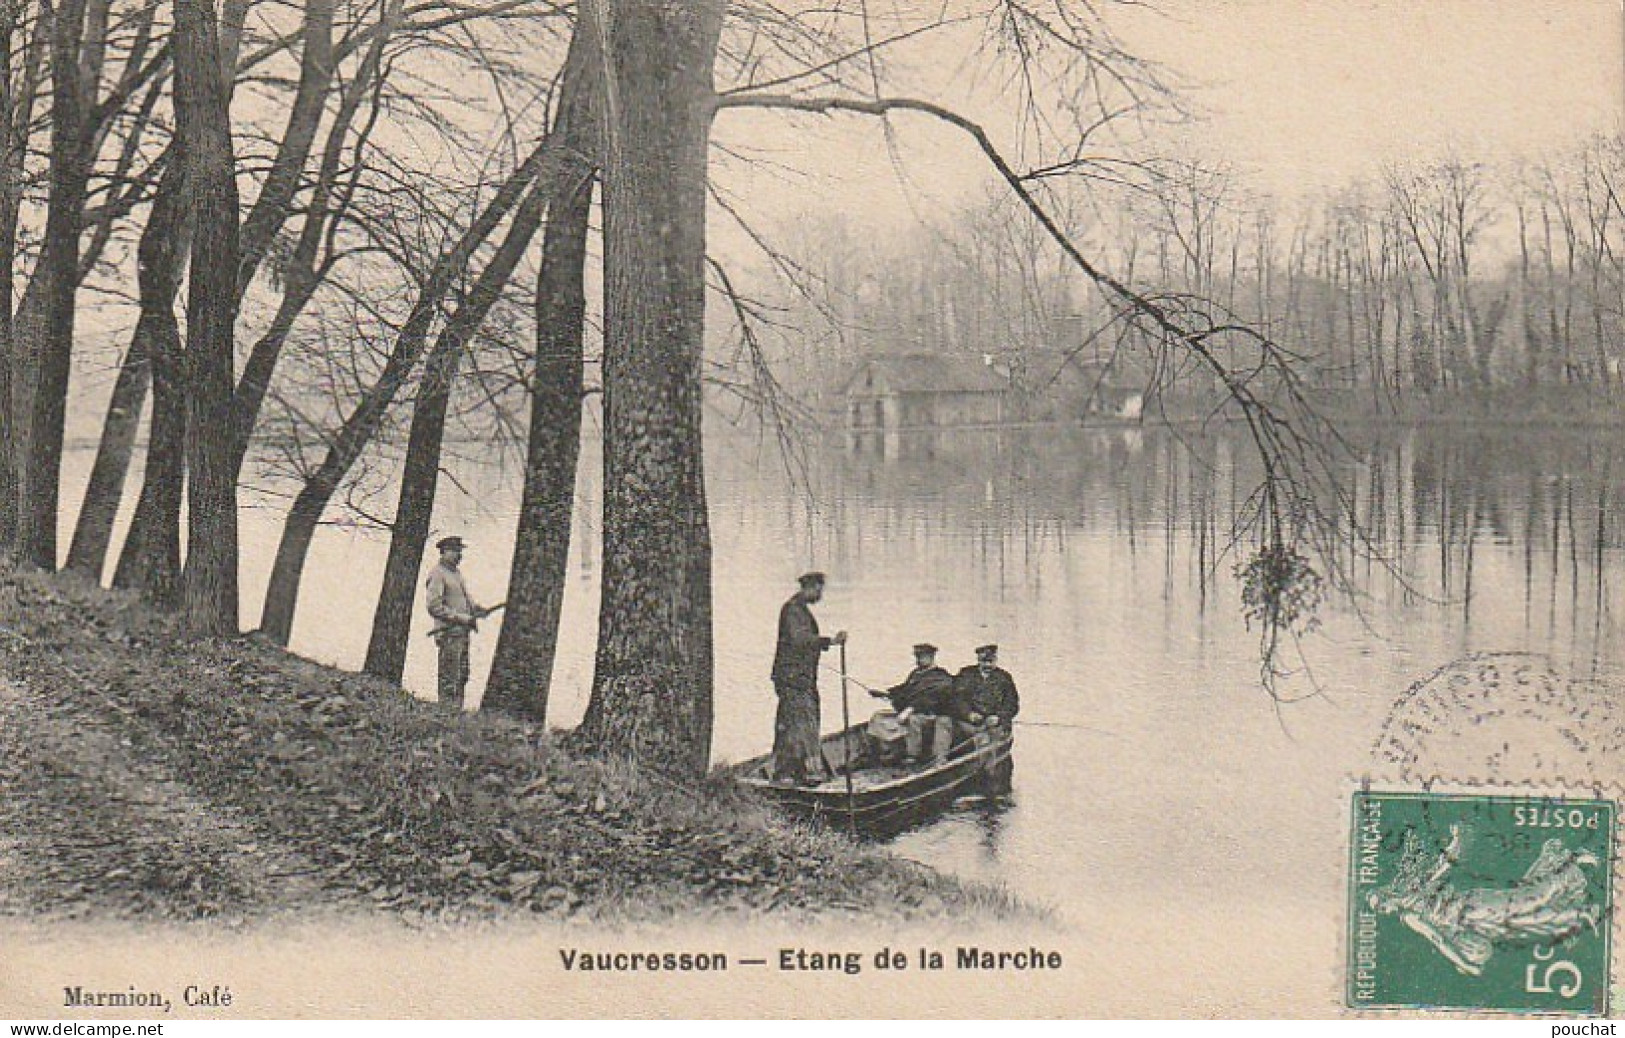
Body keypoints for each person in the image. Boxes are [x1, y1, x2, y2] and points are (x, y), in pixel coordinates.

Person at [770, 572, 846, 785]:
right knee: (800, 722)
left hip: (800, 678)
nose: (820, 594)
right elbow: (799, 639)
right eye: (818, 590)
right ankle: (794, 772)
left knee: (794, 722)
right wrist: (829, 641)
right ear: (809, 588)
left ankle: (793, 771)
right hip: (793, 679)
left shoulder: (799, 610)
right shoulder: (793, 610)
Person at [425, 536, 495, 712]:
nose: (459, 555)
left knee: (462, 675)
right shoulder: (437, 574)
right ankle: (446, 714)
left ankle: (456, 714)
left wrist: (477, 610)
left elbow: (465, 600)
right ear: (444, 551)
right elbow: (434, 606)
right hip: (448, 633)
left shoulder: (457, 574)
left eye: (460, 551)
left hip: (462, 633)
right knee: (450, 676)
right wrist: (462, 618)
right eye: (455, 551)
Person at [950, 643, 1020, 794]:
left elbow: (1012, 704)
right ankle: (971, 771)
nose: (988, 665)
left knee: (991, 741)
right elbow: (957, 699)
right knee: (964, 733)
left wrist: (999, 717)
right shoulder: (966, 674)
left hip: (994, 724)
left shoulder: (1004, 678)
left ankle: (988, 777)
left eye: (991, 661)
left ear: (995, 660)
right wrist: (968, 714)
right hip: (970, 722)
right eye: (984, 661)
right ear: (978, 660)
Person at [870, 643, 954, 764]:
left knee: (913, 719)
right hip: (912, 711)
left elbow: (930, 699)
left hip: (931, 715)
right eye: (917, 657)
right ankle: (891, 750)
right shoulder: (916, 674)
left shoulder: (941, 676)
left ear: (931, 657)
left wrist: (910, 709)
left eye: (922, 657)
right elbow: (905, 690)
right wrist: (884, 694)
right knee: (878, 717)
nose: (918, 660)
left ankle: (913, 755)